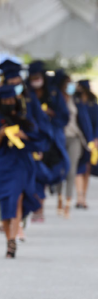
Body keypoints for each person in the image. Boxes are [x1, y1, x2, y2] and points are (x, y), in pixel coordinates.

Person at [0, 84, 46, 258]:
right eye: (5, 100)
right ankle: (9, 238)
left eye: (12, 99)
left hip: (21, 163)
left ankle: (13, 239)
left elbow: (38, 142)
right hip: (3, 165)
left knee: (17, 198)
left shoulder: (24, 119)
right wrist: (1, 134)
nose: (9, 102)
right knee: (4, 203)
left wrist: (24, 136)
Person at [26, 61, 70, 222]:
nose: (36, 80)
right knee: (35, 174)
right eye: (33, 77)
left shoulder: (53, 93)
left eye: (38, 77)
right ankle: (37, 208)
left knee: (46, 173)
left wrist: (50, 114)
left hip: (51, 141)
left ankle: (40, 206)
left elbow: (64, 117)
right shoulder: (26, 93)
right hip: (32, 140)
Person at [53, 71, 94, 217]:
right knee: (59, 169)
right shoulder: (55, 99)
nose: (70, 86)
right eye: (67, 83)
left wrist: (89, 140)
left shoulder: (76, 100)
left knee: (71, 170)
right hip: (59, 138)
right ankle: (59, 198)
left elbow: (84, 121)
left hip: (75, 138)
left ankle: (68, 203)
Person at [74, 79, 98, 209]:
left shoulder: (93, 105)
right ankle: (79, 197)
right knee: (79, 167)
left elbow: (96, 123)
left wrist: (95, 138)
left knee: (87, 168)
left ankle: (84, 196)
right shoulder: (75, 103)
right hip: (78, 139)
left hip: (90, 140)